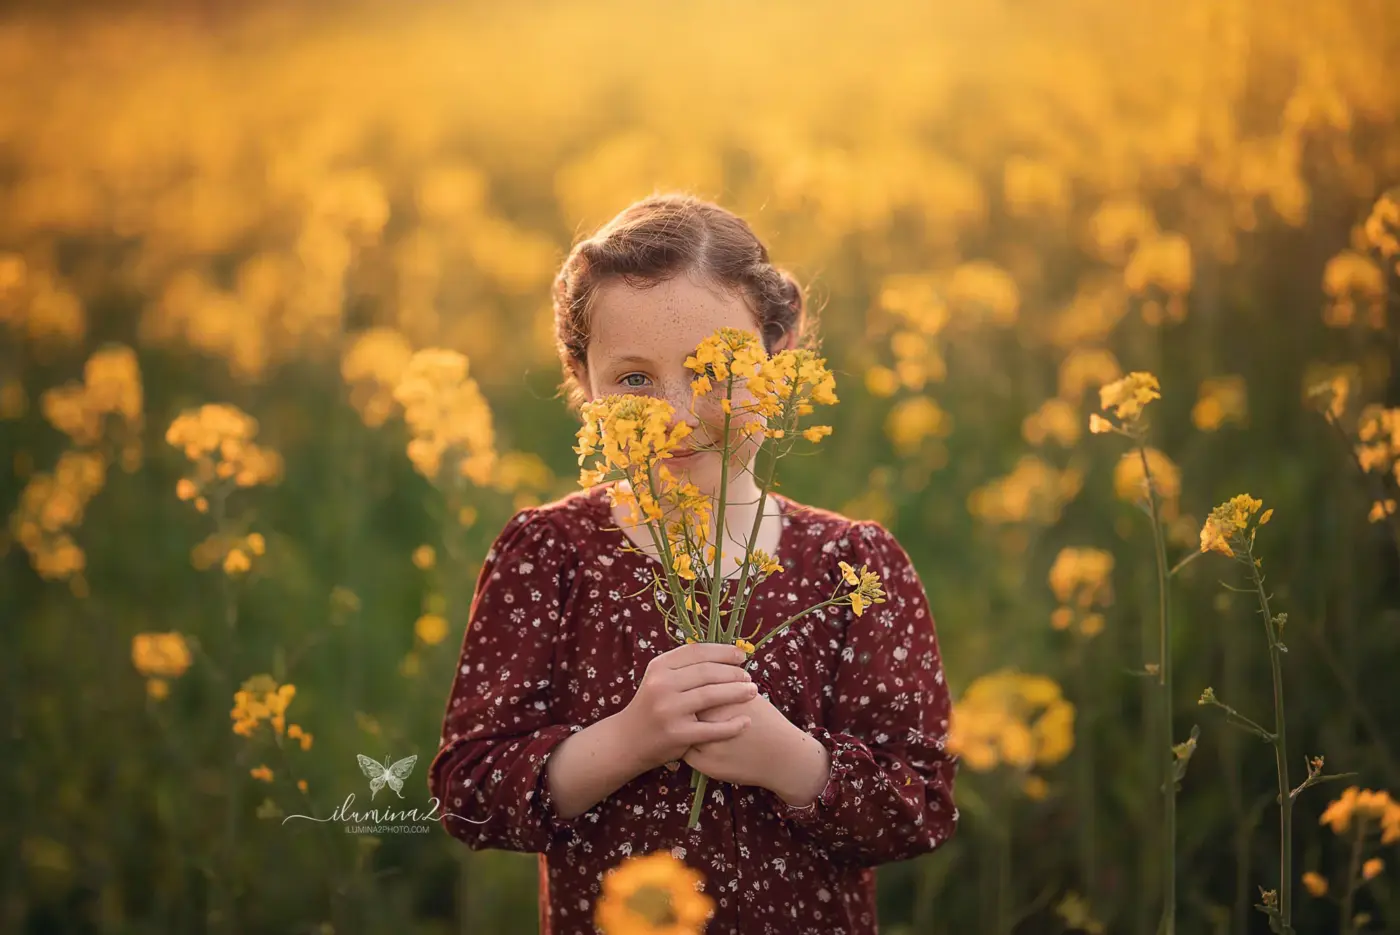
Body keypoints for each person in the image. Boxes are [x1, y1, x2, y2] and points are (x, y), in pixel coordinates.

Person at [427, 192, 958, 935]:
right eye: (634, 380)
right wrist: (628, 740)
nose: (676, 415)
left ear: (782, 351)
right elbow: (468, 792)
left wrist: (791, 761)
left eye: (714, 370)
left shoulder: (851, 566)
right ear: (583, 379)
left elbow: (923, 808)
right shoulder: (550, 554)